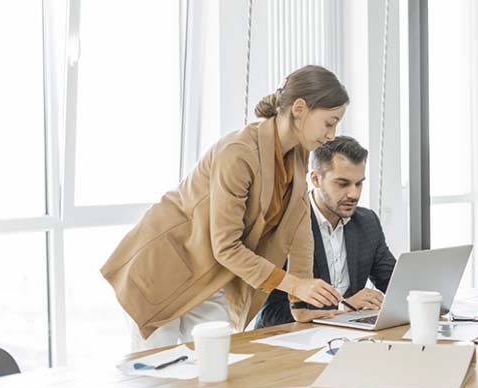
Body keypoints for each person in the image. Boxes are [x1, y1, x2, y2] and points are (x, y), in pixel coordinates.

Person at [102, 65, 349, 351]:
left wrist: (302, 301)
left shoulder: (297, 155)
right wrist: (293, 285)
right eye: (329, 122)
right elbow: (226, 246)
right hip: (162, 271)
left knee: (216, 365)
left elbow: (299, 225)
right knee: (158, 375)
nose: (332, 135)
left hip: (210, 277)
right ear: (300, 108)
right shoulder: (238, 152)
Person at [253, 136, 396, 328]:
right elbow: (271, 312)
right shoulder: (283, 225)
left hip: (347, 336)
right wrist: (342, 307)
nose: (354, 194)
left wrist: (426, 296)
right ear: (315, 179)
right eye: (343, 184)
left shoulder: (366, 222)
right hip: (290, 340)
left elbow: (394, 282)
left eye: (359, 183)